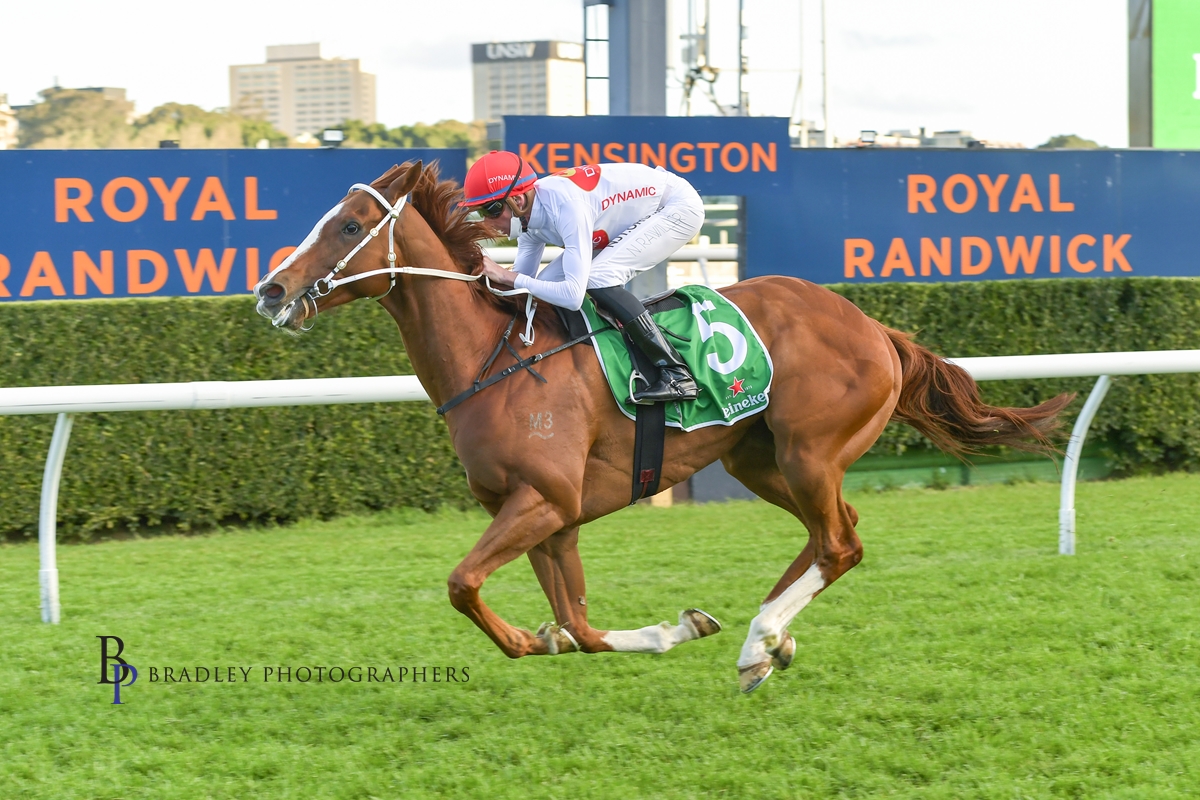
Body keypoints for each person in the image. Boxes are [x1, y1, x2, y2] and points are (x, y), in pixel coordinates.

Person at [462, 150, 705, 404]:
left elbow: (572, 296)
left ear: (518, 200)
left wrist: (506, 276)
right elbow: (520, 285)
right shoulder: (527, 220)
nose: (486, 222)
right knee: (545, 288)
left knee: (598, 278)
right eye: (480, 212)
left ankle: (676, 374)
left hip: (675, 208)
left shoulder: (566, 207)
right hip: (625, 218)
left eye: (491, 210)